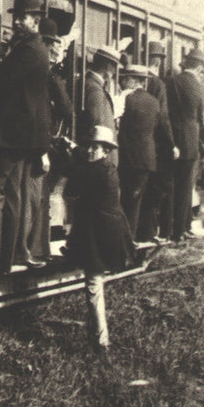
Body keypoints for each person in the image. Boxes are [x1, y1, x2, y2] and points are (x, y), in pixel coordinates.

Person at [0, 0, 52, 275]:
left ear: (36, 21)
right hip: (20, 137)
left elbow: (1, 84)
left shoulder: (28, 50)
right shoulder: (35, 48)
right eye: (17, 17)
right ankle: (5, 262)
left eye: (24, 18)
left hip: (7, 135)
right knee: (11, 197)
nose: (17, 22)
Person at [65, 125, 135, 353]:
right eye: (89, 147)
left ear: (105, 150)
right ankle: (98, 336)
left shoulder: (95, 171)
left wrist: (71, 153)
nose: (90, 151)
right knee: (95, 285)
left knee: (94, 286)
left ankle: (101, 340)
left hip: (99, 236)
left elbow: (73, 186)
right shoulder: (109, 168)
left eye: (95, 148)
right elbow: (85, 165)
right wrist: (75, 148)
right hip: (109, 233)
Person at [27, 17, 74, 262]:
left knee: (32, 196)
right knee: (41, 197)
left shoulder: (30, 65)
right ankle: (38, 249)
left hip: (30, 139)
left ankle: (33, 249)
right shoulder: (51, 76)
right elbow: (67, 109)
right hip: (45, 141)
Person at [117, 64, 175, 239]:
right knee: (139, 201)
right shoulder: (154, 102)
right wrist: (173, 146)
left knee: (127, 203)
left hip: (128, 157)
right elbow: (163, 128)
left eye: (126, 78)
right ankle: (142, 238)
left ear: (135, 81)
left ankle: (127, 246)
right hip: (148, 159)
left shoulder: (125, 99)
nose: (123, 81)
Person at [168, 48, 204, 241]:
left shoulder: (171, 82)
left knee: (172, 186)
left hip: (171, 142)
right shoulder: (200, 88)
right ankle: (183, 228)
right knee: (186, 187)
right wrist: (199, 139)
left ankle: (173, 229)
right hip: (191, 143)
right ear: (198, 67)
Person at [138, 41, 177, 242]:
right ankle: (152, 232)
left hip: (135, 144)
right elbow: (163, 119)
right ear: (158, 62)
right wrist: (171, 144)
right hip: (155, 147)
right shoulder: (158, 85)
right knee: (157, 190)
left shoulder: (135, 80)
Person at [77, 47, 120, 149]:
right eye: (113, 68)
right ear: (107, 66)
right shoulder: (94, 89)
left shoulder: (89, 83)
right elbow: (98, 123)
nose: (113, 72)